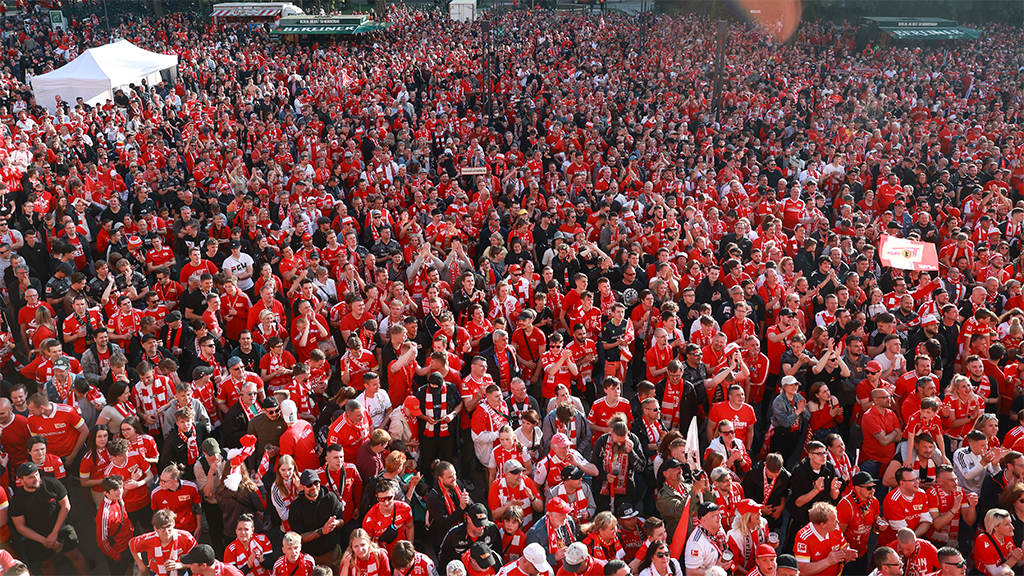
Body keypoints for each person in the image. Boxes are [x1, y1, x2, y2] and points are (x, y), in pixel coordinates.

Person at [288, 469, 346, 571]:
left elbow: (341, 521)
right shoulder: (295, 507)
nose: (314, 487)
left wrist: (334, 523)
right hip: (310, 557)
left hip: (332, 554)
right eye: (309, 485)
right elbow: (298, 538)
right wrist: (321, 531)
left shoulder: (330, 497)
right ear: (301, 487)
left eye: (316, 483)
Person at [793, 502, 857, 576]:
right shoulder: (803, 538)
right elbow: (802, 570)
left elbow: (844, 548)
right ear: (823, 524)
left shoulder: (836, 529)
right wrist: (828, 561)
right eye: (834, 521)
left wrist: (846, 555)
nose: (838, 522)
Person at [129, 509, 198, 576]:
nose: (166, 531)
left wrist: (180, 565)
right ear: (155, 528)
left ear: (173, 523)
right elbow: (132, 544)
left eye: (168, 526)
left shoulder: (186, 537)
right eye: (162, 528)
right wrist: (141, 567)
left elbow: (197, 558)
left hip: (180, 571)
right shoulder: (148, 539)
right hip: (156, 572)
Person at [97, 475, 137, 576]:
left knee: (130, 565)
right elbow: (102, 541)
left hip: (129, 542)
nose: (120, 492)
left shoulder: (118, 498)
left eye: (120, 487)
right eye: (115, 490)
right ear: (105, 493)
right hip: (120, 549)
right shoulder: (104, 514)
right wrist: (117, 556)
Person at [684, 502, 727, 575]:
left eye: (719, 513)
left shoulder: (719, 528)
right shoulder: (695, 543)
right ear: (704, 519)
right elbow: (691, 572)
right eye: (714, 515)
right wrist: (718, 568)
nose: (720, 517)